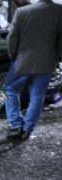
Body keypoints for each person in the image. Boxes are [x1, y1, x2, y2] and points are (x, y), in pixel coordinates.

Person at [4, 0, 62, 140]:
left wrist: (12, 55)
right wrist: (56, 57)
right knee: (37, 96)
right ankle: (27, 129)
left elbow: (12, 37)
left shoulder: (22, 12)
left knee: (10, 90)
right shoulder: (59, 10)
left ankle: (16, 124)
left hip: (22, 60)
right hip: (46, 61)